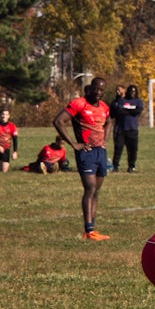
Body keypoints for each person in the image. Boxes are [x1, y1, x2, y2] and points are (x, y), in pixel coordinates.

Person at [54, 77, 114, 240]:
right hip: (86, 152)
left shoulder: (104, 107)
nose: (98, 92)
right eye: (96, 89)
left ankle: (92, 230)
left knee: (96, 191)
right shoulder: (79, 104)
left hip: (100, 152)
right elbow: (58, 121)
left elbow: (109, 122)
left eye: (101, 90)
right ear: (90, 88)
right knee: (90, 188)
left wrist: (105, 140)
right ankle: (88, 230)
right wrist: (73, 143)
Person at [110, 84, 144, 172]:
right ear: (127, 92)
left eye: (134, 92)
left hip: (132, 129)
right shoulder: (122, 100)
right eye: (131, 91)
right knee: (118, 148)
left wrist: (126, 111)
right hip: (121, 129)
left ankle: (131, 166)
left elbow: (138, 111)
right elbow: (119, 111)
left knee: (133, 150)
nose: (132, 93)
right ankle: (115, 166)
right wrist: (131, 111)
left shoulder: (138, 101)